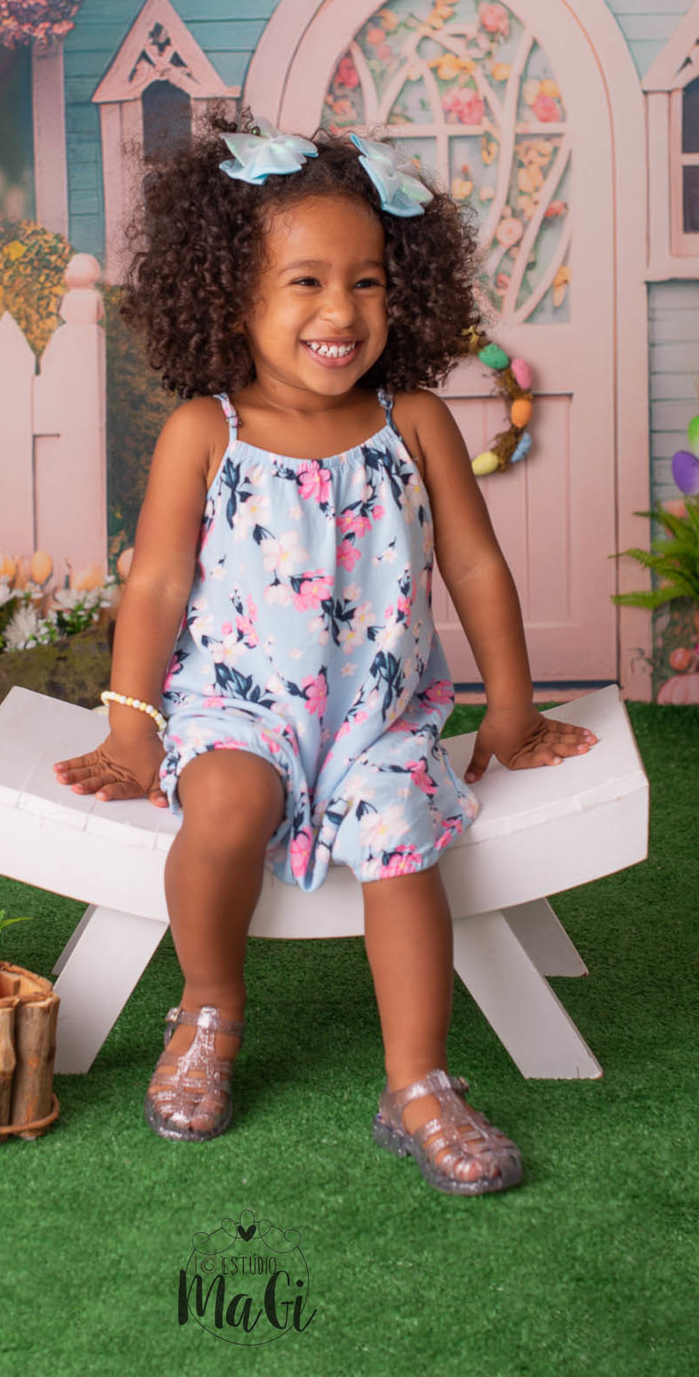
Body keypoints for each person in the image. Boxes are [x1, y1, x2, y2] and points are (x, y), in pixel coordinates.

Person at [55, 115, 594, 1195]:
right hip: (235, 707)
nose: (341, 312)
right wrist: (131, 725)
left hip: (378, 722)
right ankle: (209, 1006)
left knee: (405, 845)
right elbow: (155, 586)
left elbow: (476, 566)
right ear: (230, 294)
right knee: (224, 808)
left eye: (368, 281)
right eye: (305, 281)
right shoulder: (205, 433)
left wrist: (512, 707)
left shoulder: (416, 422)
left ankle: (418, 1081)